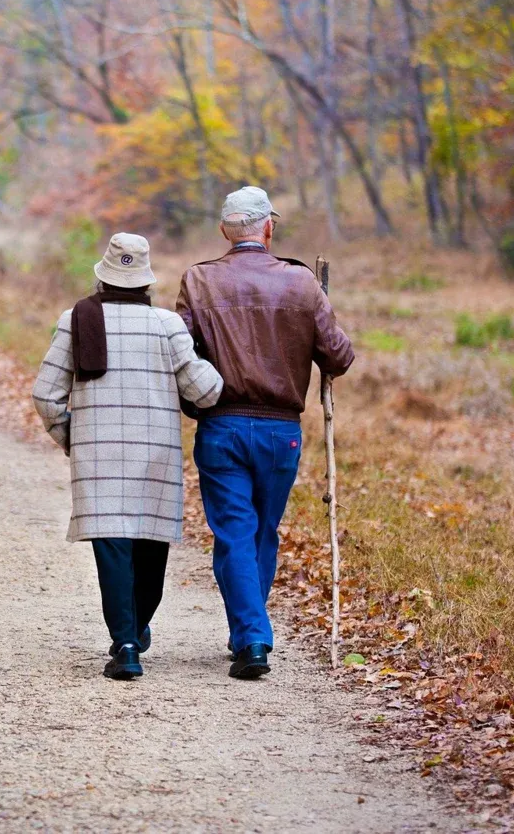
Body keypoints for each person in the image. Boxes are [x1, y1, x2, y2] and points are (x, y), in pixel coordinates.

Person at [176, 187, 355, 680]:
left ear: (224, 231)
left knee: (235, 532)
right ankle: (251, 634)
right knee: (261, 531)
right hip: (281, 433)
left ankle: (250, 635)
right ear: (268, 228)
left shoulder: (198, 280)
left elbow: (178, 352)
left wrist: (195, 396)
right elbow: (339, 356)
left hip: (222, 425)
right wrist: (319, 310)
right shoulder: (301, 283)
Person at [32, 233, 223, 681]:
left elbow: (45, 395)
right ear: (146, 283)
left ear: (102, 277)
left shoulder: (75, 320)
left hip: (97, 458)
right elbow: (206, 391)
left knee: (112, 547)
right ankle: (135, 629)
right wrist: (212, 361)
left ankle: (127, 643)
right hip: (155, 454)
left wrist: (72, 437)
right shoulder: (166, 325)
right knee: (150, 546)